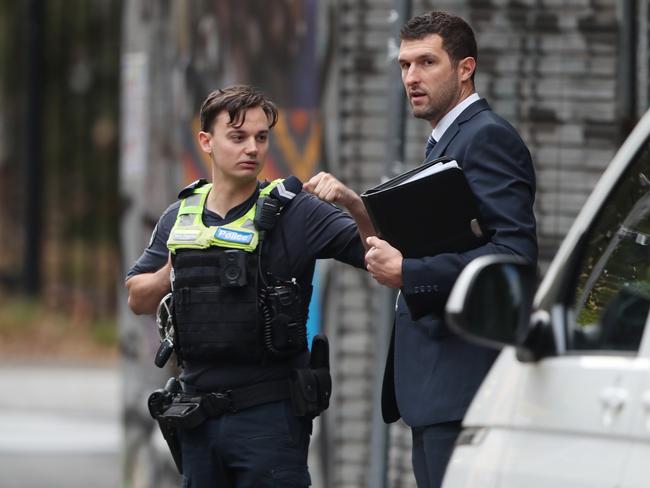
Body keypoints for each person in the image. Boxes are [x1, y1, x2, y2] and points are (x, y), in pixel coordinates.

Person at [307, 10, 537, 488]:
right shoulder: (445, 142)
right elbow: (433, 240)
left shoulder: (487, 137)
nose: (411, 77)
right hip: (437, 390)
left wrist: (410, 273)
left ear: (465, 67)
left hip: (462, 386)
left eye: (427, 62)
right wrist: (356, 206)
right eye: (404, 65)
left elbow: (513, 258)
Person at [125, 85, 371, 487]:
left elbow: (377, 255)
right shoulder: (180, 218)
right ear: (206, 141)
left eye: (261, 137)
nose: (252, 149)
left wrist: (355, 205)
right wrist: (178, 263)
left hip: (269, 420)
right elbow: (137, 297)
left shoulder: (297, 211)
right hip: (197, 418)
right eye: (238, 137)